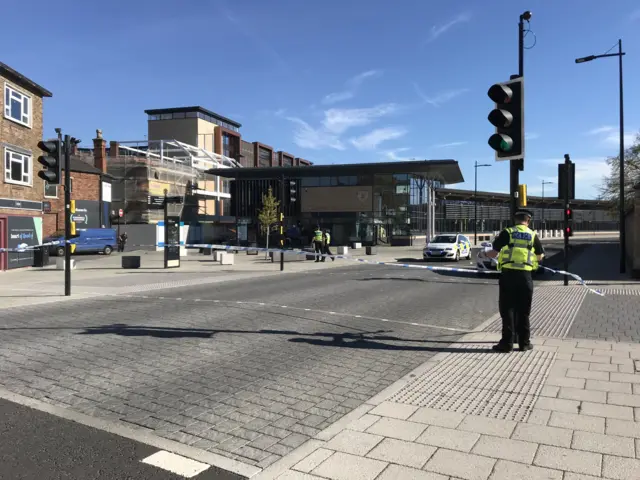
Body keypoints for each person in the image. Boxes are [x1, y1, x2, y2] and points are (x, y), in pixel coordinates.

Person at [485, 209, 544, 352]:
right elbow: (540, 256)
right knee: (524, 311)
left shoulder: (508, 232)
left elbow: (494, 252)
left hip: (508, 276)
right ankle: (524, 343)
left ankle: (507, 344)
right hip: (526, 277)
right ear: (528, 220)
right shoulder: (532, 234)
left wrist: (484, 254)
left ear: (514, 219)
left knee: (508, 310)